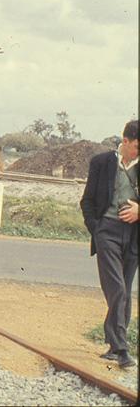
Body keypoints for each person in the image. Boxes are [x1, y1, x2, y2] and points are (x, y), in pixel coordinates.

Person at [80, 120, 139, 368]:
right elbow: (87, 201)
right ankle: (121, 348)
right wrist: (98, 229)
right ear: (125, 141)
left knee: (124, 289)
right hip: (108, 233)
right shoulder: (102, 163)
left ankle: (114, 344)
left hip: (134, 236)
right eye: (137, 146)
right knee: (118, 290)